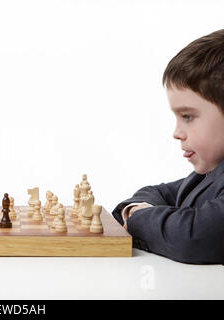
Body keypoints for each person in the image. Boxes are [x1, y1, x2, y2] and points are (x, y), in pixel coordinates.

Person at [112, 29, 224, 264]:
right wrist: (135, 208)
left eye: (188, 117)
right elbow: (161, 193)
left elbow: (193, 236)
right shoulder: (209, 175)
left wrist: (139, 217)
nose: (177, 133)